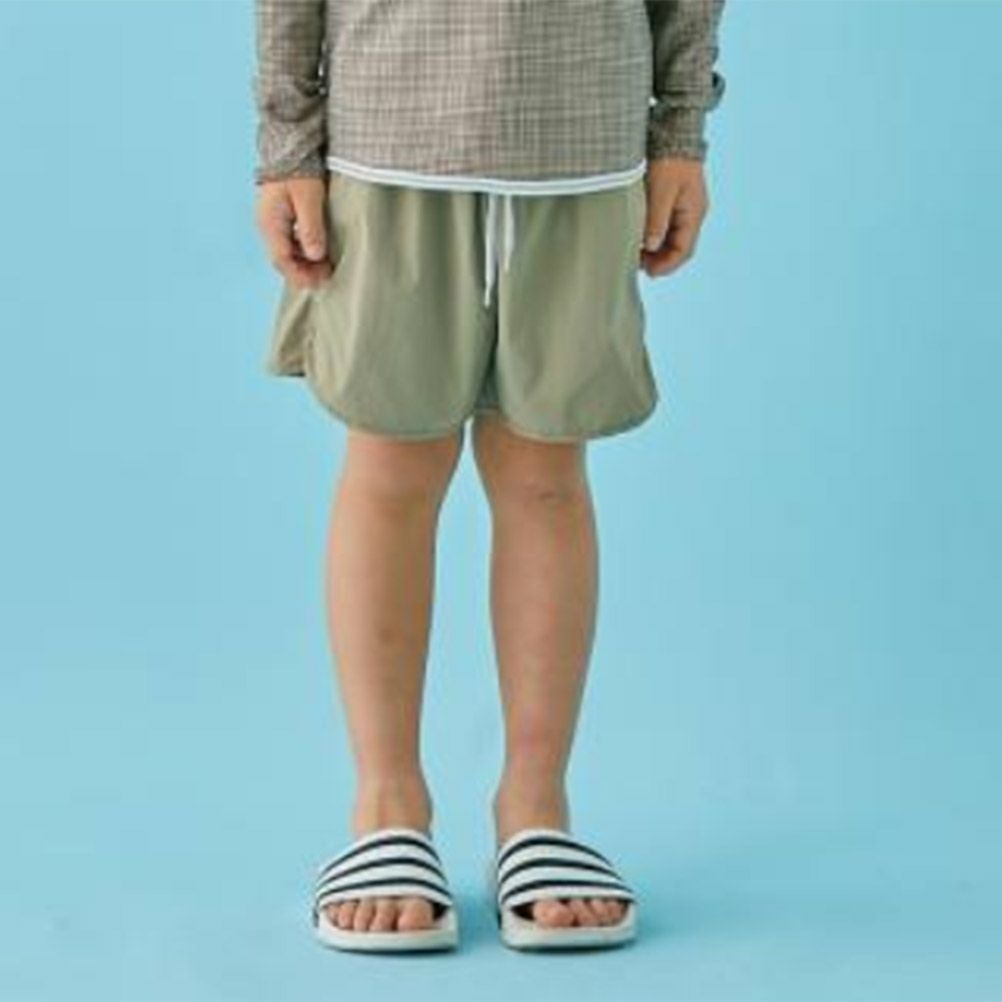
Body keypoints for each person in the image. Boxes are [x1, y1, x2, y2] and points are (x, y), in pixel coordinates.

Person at [252, 0, 726, 953]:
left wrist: (679, 131)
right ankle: (386, 807)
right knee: (392, 467)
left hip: (581, 144)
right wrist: (287, 146)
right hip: (388, 140)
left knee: (547, 472)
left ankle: (536, 808)